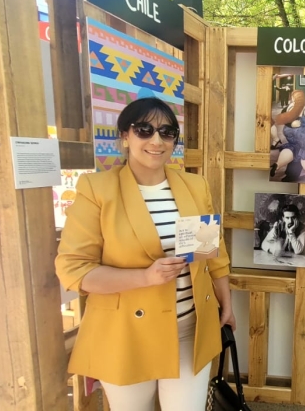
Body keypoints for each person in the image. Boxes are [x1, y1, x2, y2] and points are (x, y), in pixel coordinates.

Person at [55, 97, 234, 410]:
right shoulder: (98, 189)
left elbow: (211, 255)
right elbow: (75, 269)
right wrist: (144, 276)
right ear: (125, 136)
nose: (156, 140)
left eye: (167, 132)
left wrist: (227, 305)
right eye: (144, 129)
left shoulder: (194, 186)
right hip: (127, 334)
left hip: (190, 330)